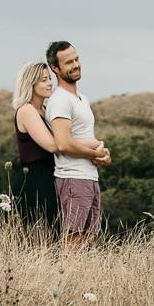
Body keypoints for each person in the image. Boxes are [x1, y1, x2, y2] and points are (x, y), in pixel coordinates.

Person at [42, 40, 109, 246]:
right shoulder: (60, 100)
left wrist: (103, 154)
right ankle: (66, 279)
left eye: (76, 59)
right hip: (72, 178)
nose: (76, 64)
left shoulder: (82, 98)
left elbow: (83, 137)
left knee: (87, 241)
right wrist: (95, 153)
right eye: (68, 62)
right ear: (55, 68)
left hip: (89, 177)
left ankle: (79, 279)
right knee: (73, 242)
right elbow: (63, 143)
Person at [9, 62, 60, 236]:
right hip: (35, 179)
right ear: (30, 84)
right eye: (43, 80)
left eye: (49, 79)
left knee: (55, 233)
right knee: (42, 237)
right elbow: (52, 145)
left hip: (50, 175)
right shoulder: (26, 111)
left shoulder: (44, 109)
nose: (49, 83)